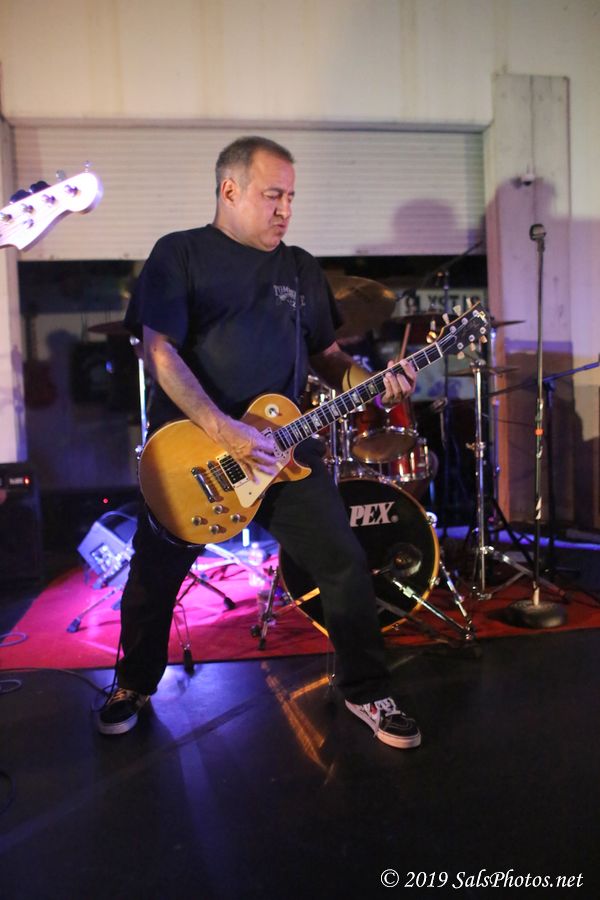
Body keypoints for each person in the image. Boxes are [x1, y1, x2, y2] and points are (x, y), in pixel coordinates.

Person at [97, 135, 420, 749]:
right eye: (273, 195)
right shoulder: (180, 254)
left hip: (285, 452)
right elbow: (158, 351)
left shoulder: (299, 268)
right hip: (196, 453)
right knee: (153, 579)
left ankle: (366, 690)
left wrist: (374, 383)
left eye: (291, 197)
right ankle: (132, 685)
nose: (285, 209)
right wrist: (226, 430)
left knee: (344, 562)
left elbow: (328, 357)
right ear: (230, 190)